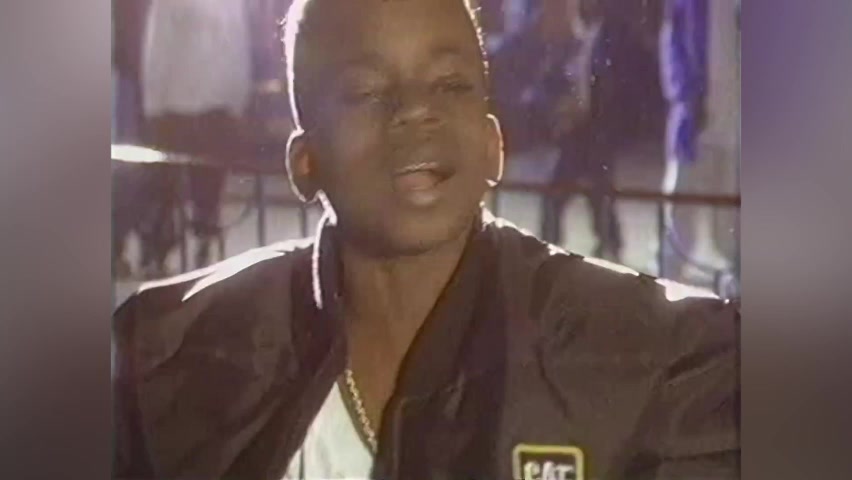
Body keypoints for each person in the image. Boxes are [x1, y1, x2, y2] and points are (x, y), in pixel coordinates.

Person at [113, 0, 739, 478]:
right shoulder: (167, 356)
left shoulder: (663, 366)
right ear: (305, 163)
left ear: (493, 144)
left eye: (449, 83)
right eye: (365, 90)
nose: (416, 109)